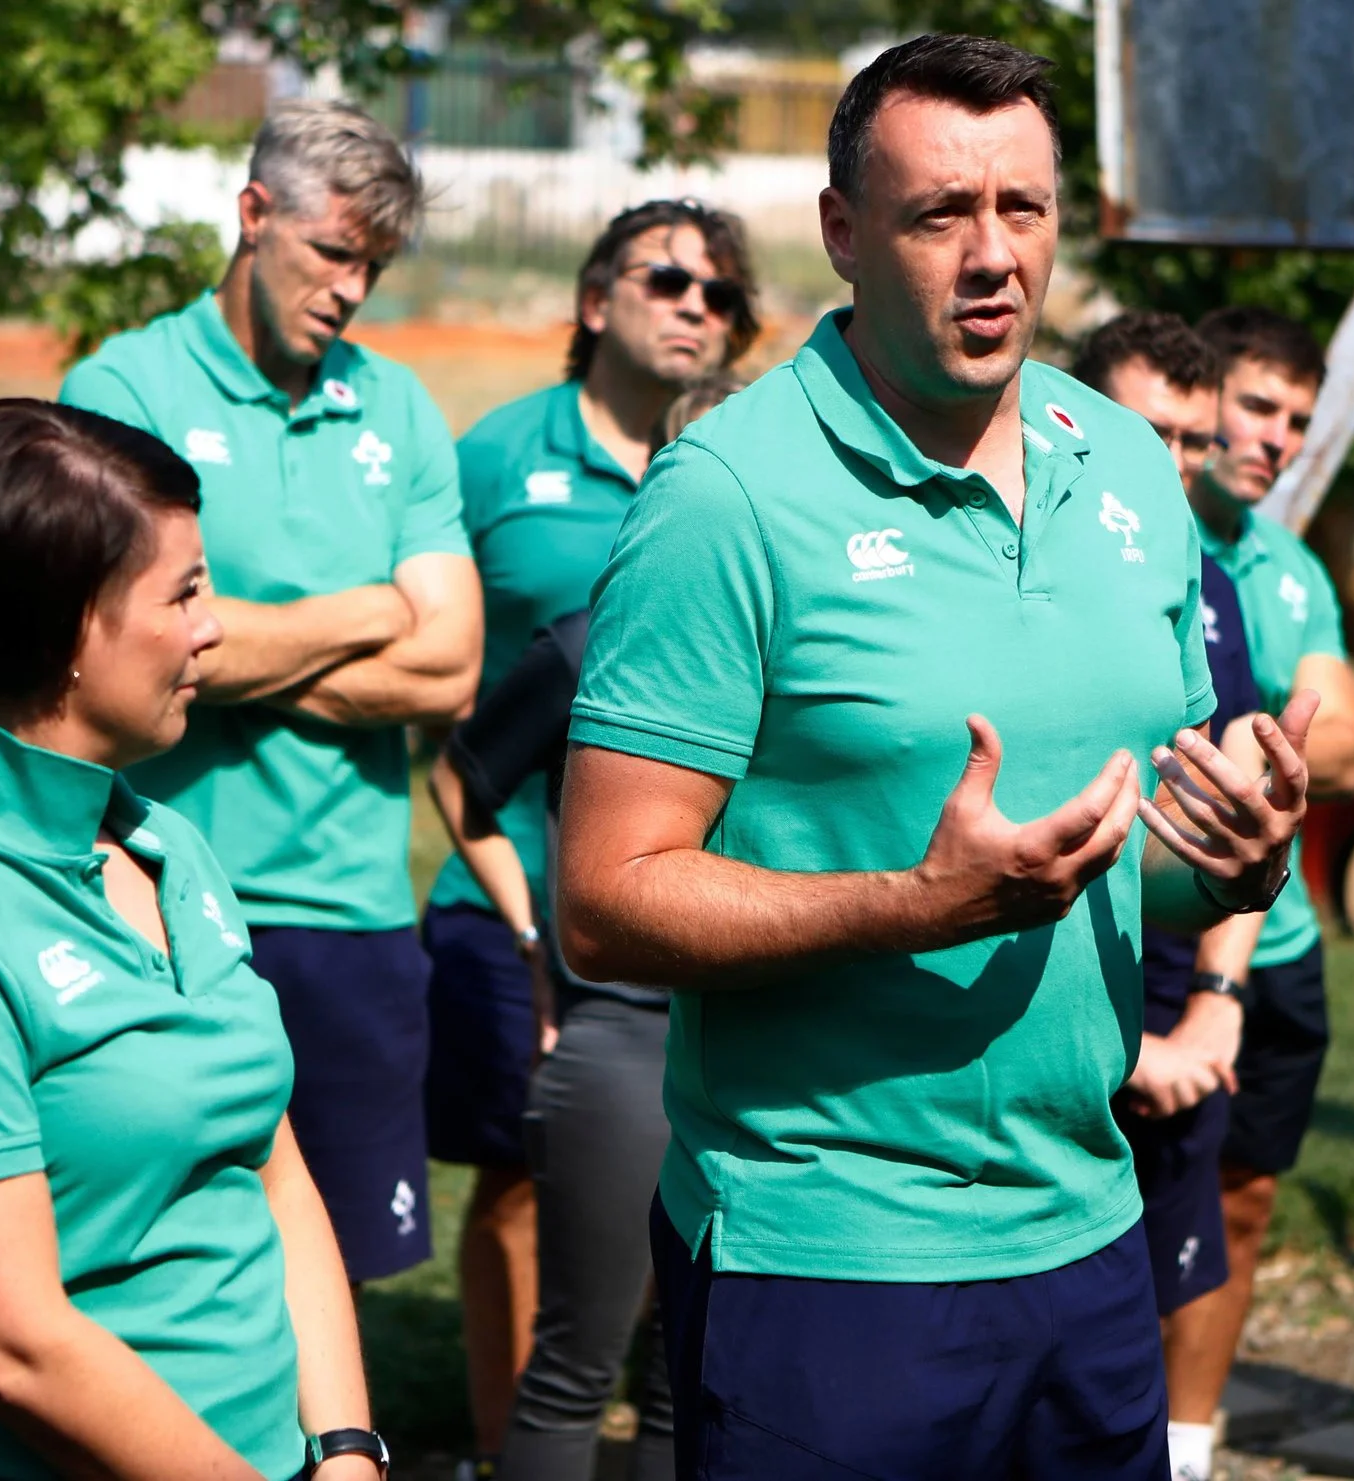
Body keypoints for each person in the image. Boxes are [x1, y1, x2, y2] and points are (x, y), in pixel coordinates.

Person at [555, 36, 1316, 1477]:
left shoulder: (1135, 468)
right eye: (937, 214)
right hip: (825, 1253)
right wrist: (914, 904)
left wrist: (1226, 858)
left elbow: (1118, 864)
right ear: (844, 232)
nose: (991, 258)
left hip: (1091, 1229)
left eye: (1020, 210)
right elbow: (604, 895)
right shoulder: (726, 497)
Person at [0, 399, 384, 1481]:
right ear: (64, 629)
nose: (214, 627)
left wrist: (342, 1447)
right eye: (184, 592)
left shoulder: (166, 846)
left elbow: (270, 1164)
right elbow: (18, 1349)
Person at [59, 100, 478, 1287]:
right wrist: (368, 607)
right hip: (155, 898)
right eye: (334, 253)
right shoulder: (124, 385)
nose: (352, 289)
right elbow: (128, 643)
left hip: (353, 916)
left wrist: (230, 636)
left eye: (375, 266)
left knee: (334, 1275)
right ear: (253, 216)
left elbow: (450, 665)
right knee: (153, 1263)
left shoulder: (396, 407)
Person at [422, 201, 759, 1478]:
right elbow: (465, 757)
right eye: (666, 279)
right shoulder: (514, 480)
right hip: (582, 969)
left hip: (736, 1007)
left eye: (717, 291)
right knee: (559, 1287)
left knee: (697, 1358)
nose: (692, 303)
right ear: (594, 295)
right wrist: (541, 941)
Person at [1158, 305, 1354, 1463]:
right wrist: (1276, 733)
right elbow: (1304, 737)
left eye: (1298, 420)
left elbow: (1346, 746)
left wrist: (1235, 742)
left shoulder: (1287, 566)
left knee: (1240, 1202)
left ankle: (1188, 1441)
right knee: (1137, 1212)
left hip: (1276, 948)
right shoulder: (1133, 535)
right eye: (1256, 407)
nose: (1277, 440)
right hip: (1160, 938)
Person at [1075, 310, 1271, 1481]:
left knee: (1151, 1299)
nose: (1173, 463)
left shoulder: (1202, 590)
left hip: (1169, 985)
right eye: (1145, 430)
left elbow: (1233, 812)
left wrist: (1212, 999)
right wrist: (1115, 1043)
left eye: (1192, 441)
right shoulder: (997, 568)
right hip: (1037, 1001)